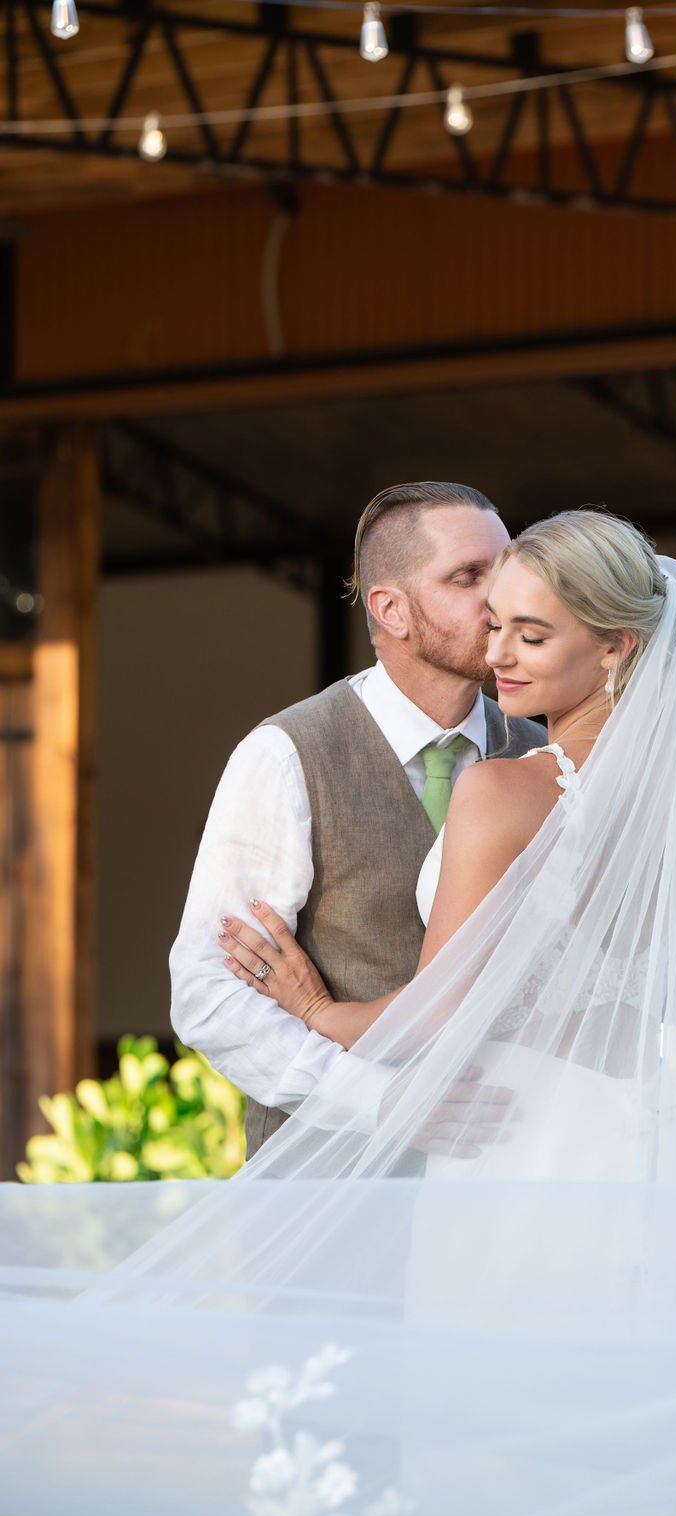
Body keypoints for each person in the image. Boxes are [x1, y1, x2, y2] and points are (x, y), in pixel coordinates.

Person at [6, 510, 676, 1516]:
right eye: (486, 610)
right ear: (390, 609)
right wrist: (586, 981)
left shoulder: (500, 788)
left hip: (514, 1147)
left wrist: (321, 1007)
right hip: (646, 1142)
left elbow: (431, 1024)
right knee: (629, 1447)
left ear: (616, 646)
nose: (498, 650)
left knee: (494, 1457)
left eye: (527, 631)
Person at [170, 480, 545, 1160]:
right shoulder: (287, 754)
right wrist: (378, 1101)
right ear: (391, 610)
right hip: (328, 1193)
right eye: (468, 577)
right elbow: (208, 992)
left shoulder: (547, 759)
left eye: (507, 569)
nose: (502, 599)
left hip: (508, 1177)